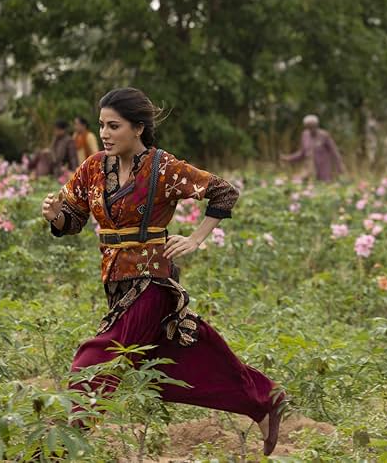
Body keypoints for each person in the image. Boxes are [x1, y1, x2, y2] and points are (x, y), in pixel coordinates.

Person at [41, 88, 285, 455]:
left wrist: (197, 239)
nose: (105, 134)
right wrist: (55, 215)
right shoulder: (93, 168)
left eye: (114, 126)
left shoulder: (163, 167)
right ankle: (263, 399)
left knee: (96, 359)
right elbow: (72, 219)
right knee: (172, 366)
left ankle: (58, 448)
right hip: (116, 284)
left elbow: (224, 193)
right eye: (102, 125)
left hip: (151, 281)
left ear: (137, 128)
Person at [280, 114, 344, 182]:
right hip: (309, 168)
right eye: (308, 126)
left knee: (323, 187)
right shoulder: (305, 135)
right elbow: (302, 153)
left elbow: (334, 152)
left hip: (323, 169)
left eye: (313, 126)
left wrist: (339, 167)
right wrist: (288, 158)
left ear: (317, 125)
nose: (311, 129)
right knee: (298, 181)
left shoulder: (324, 135)